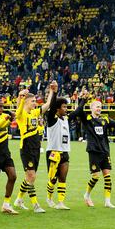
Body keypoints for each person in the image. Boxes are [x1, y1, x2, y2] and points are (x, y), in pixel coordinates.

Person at [72, 90, 115, 208]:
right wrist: (83, 99)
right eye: (97, 107)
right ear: (91, 108)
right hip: (94, 151)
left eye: (100, 107)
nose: (99, 108)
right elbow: (78, 111)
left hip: (105, 151)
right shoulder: (87, 119)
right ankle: (87, 195)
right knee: (95, 177)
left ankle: (107, 201)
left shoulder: (105, 119)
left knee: (107, 176)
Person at [13, 85, 55, 213]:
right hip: (26, 147)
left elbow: (47, 105)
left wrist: (52, 91)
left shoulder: (35, 113)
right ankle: (35, 204)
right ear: (25, 102)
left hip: (36, 147)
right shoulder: (21, 114)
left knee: (30, 177)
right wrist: (20, 96)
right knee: (31, 176)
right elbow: (18, 108)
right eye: (32, 101)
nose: (35, 103)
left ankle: (19, 199)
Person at [45, 82, 78, 210]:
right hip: (53, 152)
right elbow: (52, 107)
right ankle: (49, 198)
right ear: (58, 108)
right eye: (64, 107)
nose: (66, 109)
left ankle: (61, 202)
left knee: (63, 178)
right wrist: (55, 93)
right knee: (53, 179)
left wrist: (83, 101)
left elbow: (76, 112)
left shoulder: (65, 119)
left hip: (65, 152)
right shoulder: (52, 120)